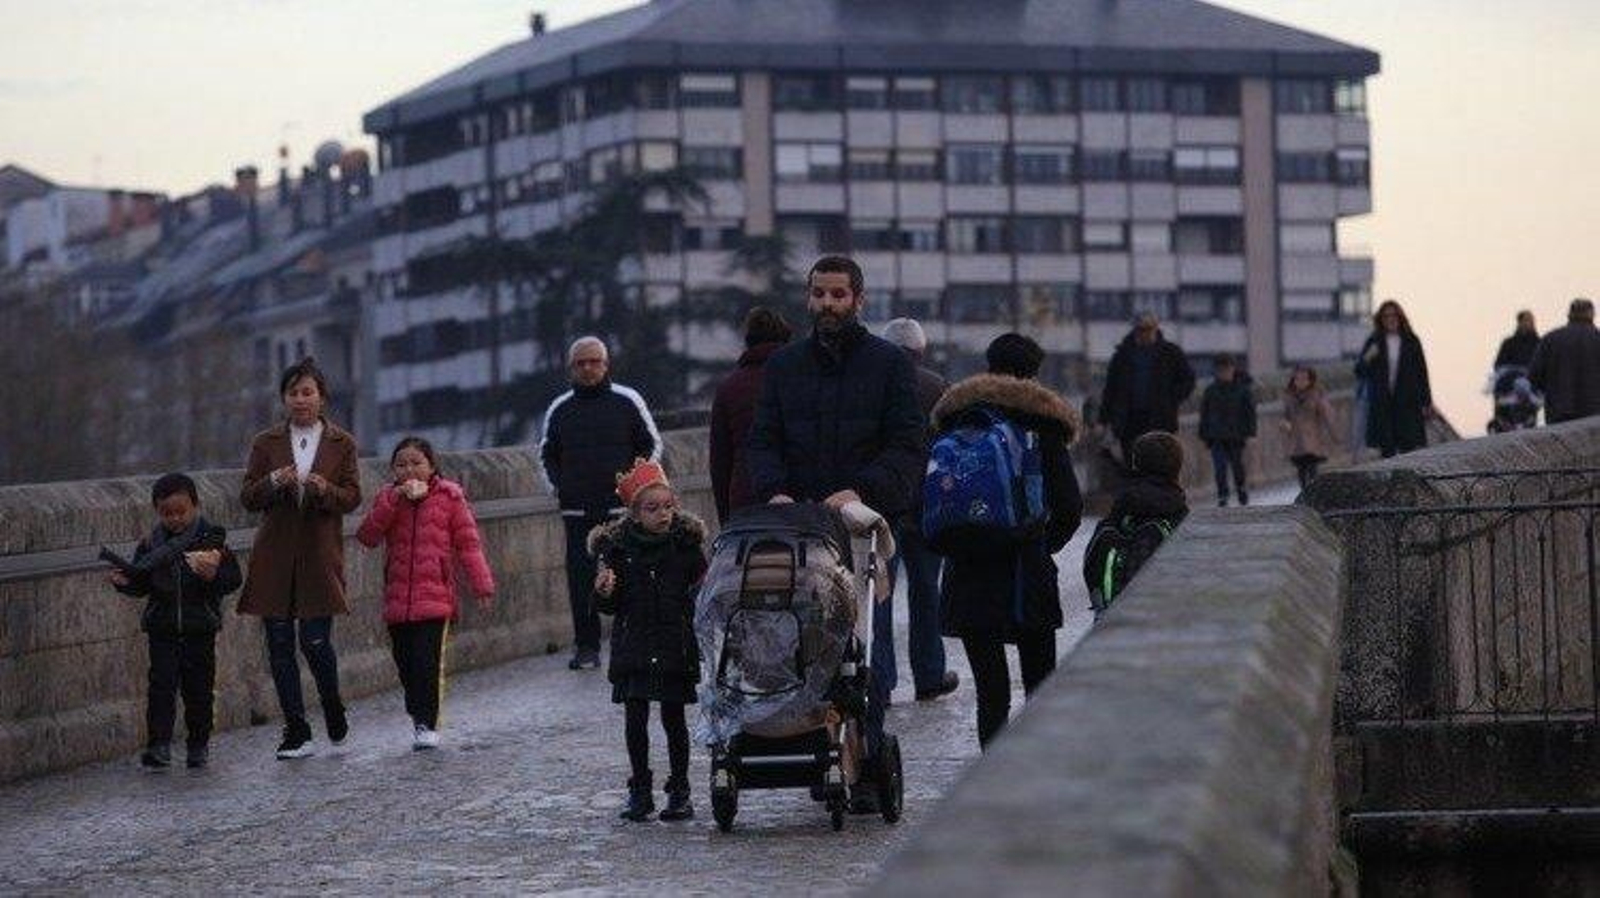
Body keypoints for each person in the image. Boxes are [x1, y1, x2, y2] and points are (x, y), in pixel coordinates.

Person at [745, 254, 923, 812]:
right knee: (799, 645)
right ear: (809, 297)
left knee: (865, 647)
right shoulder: (784, 366)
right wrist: (774, 489)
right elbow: (763, 440)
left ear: (858, 300)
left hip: (860, 525)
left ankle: (864, 754)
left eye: (838, 295)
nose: (827, 304)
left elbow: (907, 446)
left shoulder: (890, 365)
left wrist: (862, 490)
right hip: (798, 525)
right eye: (819, 294)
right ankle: (818, 745)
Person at [929, 334, 1083, 749]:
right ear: (1032, 375)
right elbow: (1069, 507)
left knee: (991, 693)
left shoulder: (957, 419)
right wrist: (1037, 544)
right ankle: (1032, 771)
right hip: (1025, 575)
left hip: (969, 572)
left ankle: (990, 772)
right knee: (1039, 689)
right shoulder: (1043, 424)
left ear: (989, 366)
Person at [239, 357, 362, 760]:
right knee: (278, 644)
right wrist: (274, 481)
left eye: (308, 392)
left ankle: (332, 705)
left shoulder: (342, 443)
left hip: (319, 555)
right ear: (283, 399)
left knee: (314, 642)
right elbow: (248, 497)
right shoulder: (266, 443)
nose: (300, 400)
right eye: (293, 393)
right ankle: (296, 729)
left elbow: (352, 497)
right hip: (274, 555)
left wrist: (325, 489)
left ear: (322, 397)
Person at [356, 437, 496, 751]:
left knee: (427, 663)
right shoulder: (388, 498)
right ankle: (416, 708)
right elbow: (368, 536)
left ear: (431, 466)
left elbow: (468, 545)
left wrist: (482, 585)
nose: (409, 470)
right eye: (401, 465)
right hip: (398, 600)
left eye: (416, 463)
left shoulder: (450, 496)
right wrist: (393, 501)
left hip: (436, 598)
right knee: (405, 663)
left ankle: (427, 723)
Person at [589, 459, 707, 823]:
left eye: (668, 506)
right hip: (635, 645)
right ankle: (640, 789)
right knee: (635, 719)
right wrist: (603, 591)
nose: (663, 514)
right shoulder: (617, 549)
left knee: (674, 719)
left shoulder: (686, 547)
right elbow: (608, 606)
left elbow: (704, 595)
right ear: (635, 513)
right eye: (653, 508)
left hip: (674, 644)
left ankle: (680, 791)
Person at [538, 336, 662, 671]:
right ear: (571, 368)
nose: (588, 368)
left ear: (606, 365)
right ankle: (586, 647)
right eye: (581, 363)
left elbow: (651, 445)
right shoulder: (559, 408)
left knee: (633, 575)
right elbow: (546, 455)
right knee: (581, 581)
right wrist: (560, 488)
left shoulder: (627, 400)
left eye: (594, 362)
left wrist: (634, 490)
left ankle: (636, 641)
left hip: (622, 510)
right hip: (577, 510)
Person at [108, 473, 243, 770]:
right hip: (163, 628)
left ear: (195, 506)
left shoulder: (211, 540)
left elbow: (233, 579)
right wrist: (124, 583)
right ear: (158, 512)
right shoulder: (151, 543)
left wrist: (212, 575)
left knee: (199, 691)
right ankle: (159, 746)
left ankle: (198, 745)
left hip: (199, 627)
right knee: (161, 688)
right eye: (167, 513)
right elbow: (142, 583)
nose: (175, 519)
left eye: (181, 512)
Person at [879, 317, 958, 702]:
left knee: (880, 594)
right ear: (921, 351)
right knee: (927, 592)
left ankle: (881, 680)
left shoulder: (872, 385)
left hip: (884, 504)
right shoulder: (938, 388)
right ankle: (929, 675)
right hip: (927, 505)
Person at [708, 307, 792, 523]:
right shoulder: (799, 380)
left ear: (748, 341)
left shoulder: (729, 387)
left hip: (745, 500)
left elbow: (720, 461)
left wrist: (726, 520)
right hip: (793, 500)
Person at [1098, 312, 1196, 467]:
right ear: (1135, 330)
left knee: (1159, 465)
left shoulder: (1170, 353)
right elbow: (1110, 390)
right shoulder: (1122, 356)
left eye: (1148, 329)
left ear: (1156, 329)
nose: (1145, 334)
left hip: (1160, 420)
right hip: (1129, 421)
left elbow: (1188, 380)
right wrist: (1103, 420)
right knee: (1133, 466)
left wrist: (1171, 399)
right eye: (1141, 330)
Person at [1355, 300, 1434, 458]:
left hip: (1406, 402)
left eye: (1394, 316)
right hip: (1383, 403)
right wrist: (1369, 357)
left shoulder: (1411, 341)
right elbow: (1359, 371)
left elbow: (1421, 373)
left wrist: (1426, 402)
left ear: (1400, 318)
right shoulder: (1374, 341)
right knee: (1387, 448)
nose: (1390, 319)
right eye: (1386, 316)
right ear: (1381, 320)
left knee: (1408, 447)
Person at [1197, 355, 1257, 507]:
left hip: (1236, 436)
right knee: (1220, 468)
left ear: (1233, 369)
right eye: (1220, 370)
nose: (1224, 373)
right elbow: (1204, 413)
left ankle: (1241, 489)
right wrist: (1204, 435)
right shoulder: (1210, 391)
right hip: (1216, 436)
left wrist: (1250, 433)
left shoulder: (1242, 389)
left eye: (1227, 369)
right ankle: (1222, 495)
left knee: (1237, 467)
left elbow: (1250, 412)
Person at [1530, 298, 1600, 424]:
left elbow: (1534, 376)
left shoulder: (1550, 339)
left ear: (1570, 314)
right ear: (1592, 314)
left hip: (1559, 414)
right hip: (1594, 415)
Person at [1282, 366, 1337, 489]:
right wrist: (1285, 424)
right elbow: (1286, 415)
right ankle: (1305, 493)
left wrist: (1334, 434)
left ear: (1310, 380)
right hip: (1297, 441)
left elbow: (1327, 414)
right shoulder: (1289, 397)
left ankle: (1312, 493)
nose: (1300, 382)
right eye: (1297, 379)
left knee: (1312, 470)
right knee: (1301, 471)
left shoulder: (1316, 395)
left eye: (1304, 379)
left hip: (1313, 440)